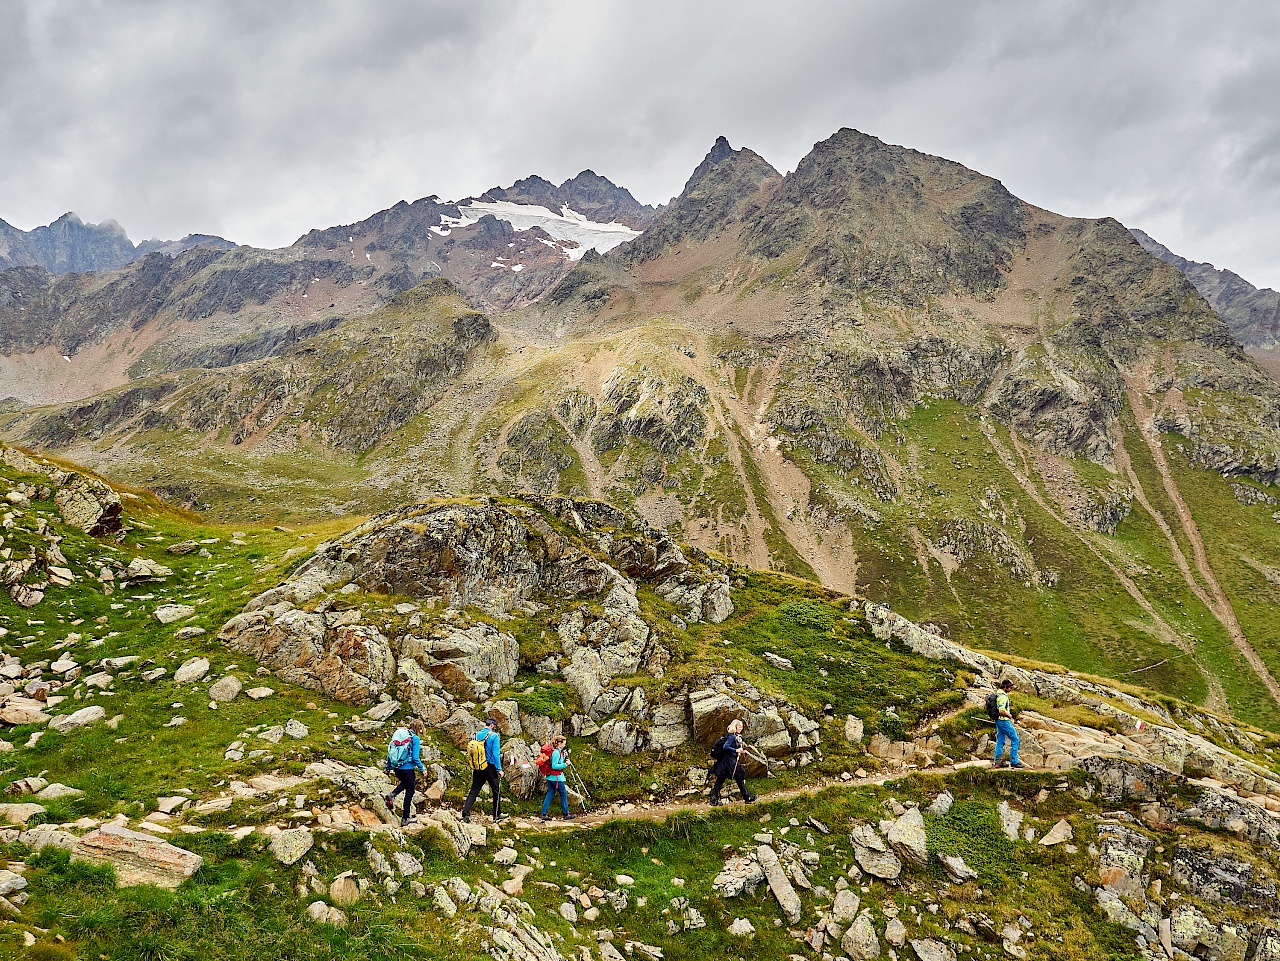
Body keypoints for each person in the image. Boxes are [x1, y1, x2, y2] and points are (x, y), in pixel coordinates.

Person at [461, 718, 506, 822]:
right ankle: (496, 815)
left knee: (474, 790)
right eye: (495, 726)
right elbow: (495, 754)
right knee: (496, 791)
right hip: (490, 767)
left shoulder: (475, 735)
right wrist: (499, 769)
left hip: (478, 766)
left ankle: (465, 814)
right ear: (492, 726)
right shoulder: (494, 736)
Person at [384, 718, 426, 826]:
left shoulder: (400, 736)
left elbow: (391, 752)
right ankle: (405, 818)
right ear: (419, 728)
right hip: (407, 769)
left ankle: (392, 795)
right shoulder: (414, 739)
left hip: (397, 768)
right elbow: (415, 757)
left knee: (405, 784)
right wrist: (423, 769)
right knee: (410, 790)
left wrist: (388, 768)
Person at [709, 719, 758, 805]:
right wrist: (736, 750)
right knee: (739, 777)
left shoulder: (731, 735)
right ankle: (747, 797)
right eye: (740, 727)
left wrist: (740, 751)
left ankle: (713, 799)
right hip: (730, 762)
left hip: (725, 761)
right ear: (735, 727)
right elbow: (725, 746)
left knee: (720, 779)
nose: (741, 728)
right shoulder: (732, 737)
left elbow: (727, 747)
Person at [540, 735, 575, 822]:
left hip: (551, 777)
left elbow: (557, 761)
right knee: (563, 794)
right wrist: (565, 764)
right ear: (559, 743)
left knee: (550, 793)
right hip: (556, 778)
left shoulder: (556, 752)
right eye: (563, 743)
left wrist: (563, 756)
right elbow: (554, 765)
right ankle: (566, 814)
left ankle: (543, 813)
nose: (564, 745)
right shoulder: (556, 752)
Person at [993, 679, 1023, 769]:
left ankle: (998, 762)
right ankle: (1014, 762)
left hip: (998, 720)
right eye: (1010, 687)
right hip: (1004, 721)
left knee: (1000, 741)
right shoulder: (1003, 697)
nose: (1011, 689)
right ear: (1005, 687)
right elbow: (1001, 710)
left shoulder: (997, 694)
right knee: (1015, 740)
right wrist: (1009, 715)